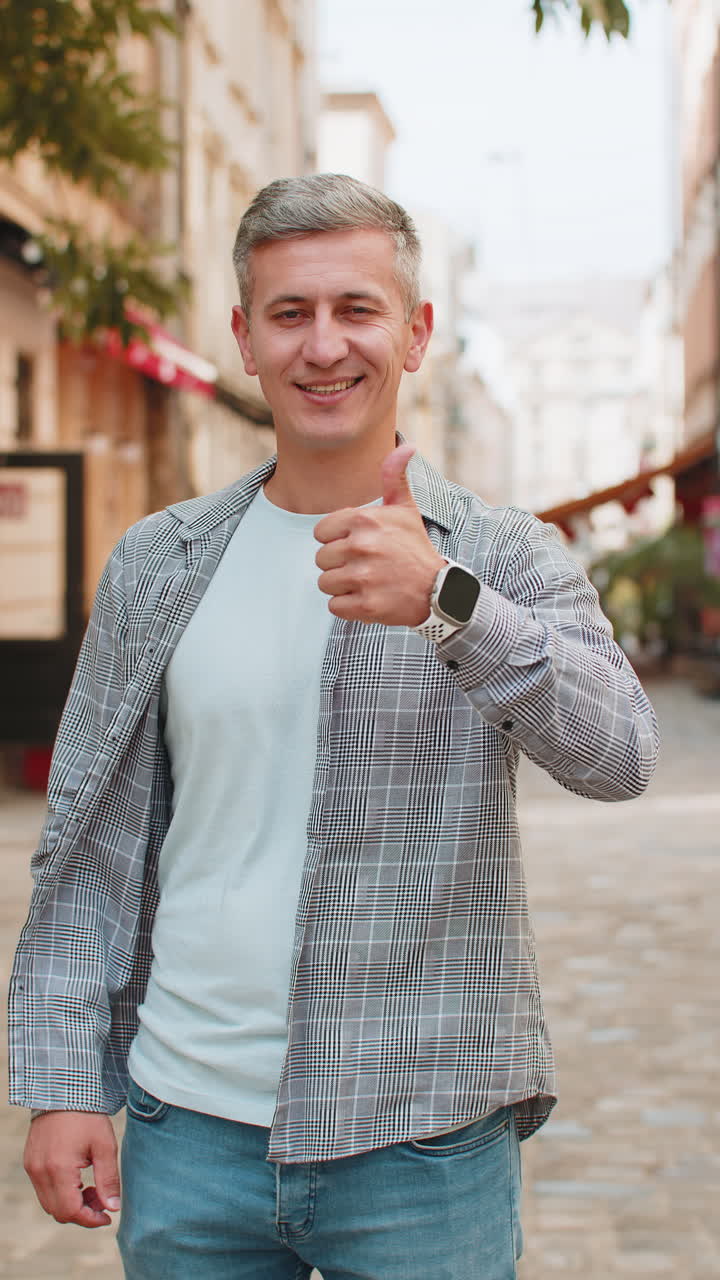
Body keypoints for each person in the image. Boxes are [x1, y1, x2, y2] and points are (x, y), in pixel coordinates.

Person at [10, 173, 659, 1279]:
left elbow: (623, 753)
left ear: (415, 335)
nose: (324, 346)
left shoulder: (500, 554)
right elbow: (91, 837)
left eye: (356, 310)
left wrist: (448, 602)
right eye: (290, 313)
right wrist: (64, 1079)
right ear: (245, 339)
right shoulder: (159, 563)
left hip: (424, 1134)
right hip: (189, 1130)